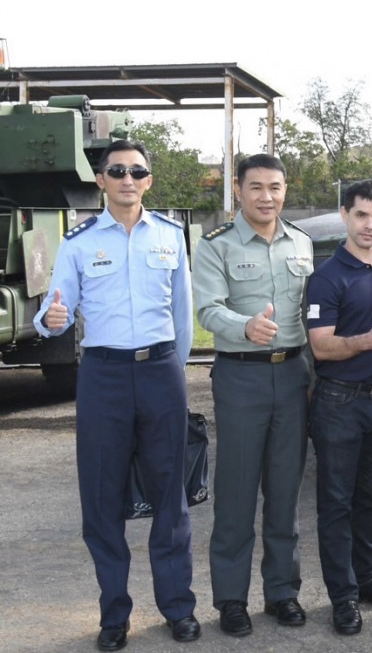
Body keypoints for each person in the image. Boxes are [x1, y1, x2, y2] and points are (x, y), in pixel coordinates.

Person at [33, 139, 200, 650]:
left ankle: (178, 609)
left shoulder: (170, 237)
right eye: (117, 171)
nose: (128, 179)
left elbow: (182, 317)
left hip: (160, 372)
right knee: (102, 498)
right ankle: (114, 615)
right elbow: (53, 308)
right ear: (101, 180)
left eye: (137, 171)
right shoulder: (79, 243)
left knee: (169, 494)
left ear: (149, 180)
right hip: (103, 376)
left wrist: (174, 370)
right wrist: (49, 320)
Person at [194, 154, 314, 636]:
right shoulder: (215, 246)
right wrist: (243, 326)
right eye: (257, 187)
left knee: (285, 493)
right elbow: (206, 309)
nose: (267, 196)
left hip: (292, 376)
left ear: (286, 190)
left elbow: (314, 311)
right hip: (240, 376)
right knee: (237, 494)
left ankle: (283, 592)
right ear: (239, 191)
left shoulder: (302, 242)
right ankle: (231, 599)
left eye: (276, 187)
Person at [306, 180, 372, 636]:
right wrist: (365, 342)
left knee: (369, 500)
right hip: (338, 404)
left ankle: (365, 580)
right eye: (362, 215)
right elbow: (322, 347)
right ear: (345, 215)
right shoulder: (327, 276)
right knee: (336, 504)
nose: (370, 225)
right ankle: (343, 597)